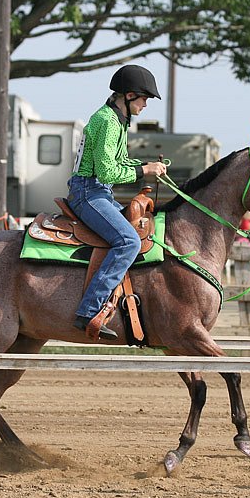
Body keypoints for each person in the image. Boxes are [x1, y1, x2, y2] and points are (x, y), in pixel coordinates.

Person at [67, 64, 167, 340]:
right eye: (145, 98)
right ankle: (89, 310)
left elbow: (118, 163)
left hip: (99, 192)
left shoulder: (118, 119)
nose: (146, 105)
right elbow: (107, 172)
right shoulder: (108, 122)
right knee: (128, 241)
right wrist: (144, 170)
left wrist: (146, 166)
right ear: (130, 95)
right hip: (89, 192)